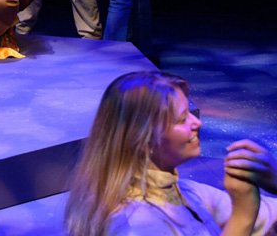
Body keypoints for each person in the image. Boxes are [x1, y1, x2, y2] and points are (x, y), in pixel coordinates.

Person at [64, 71, 277, 235]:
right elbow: (246, 215)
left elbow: (269, 213)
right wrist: (243, 213)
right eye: (182, 119)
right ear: (144, 139)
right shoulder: (132, 223)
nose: (198, 122)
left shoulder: (184, 192)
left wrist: (273, 181)